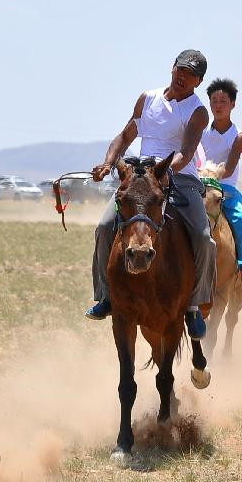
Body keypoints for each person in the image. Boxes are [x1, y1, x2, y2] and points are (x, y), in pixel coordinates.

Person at [86, 49, 215, 340]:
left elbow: (187, 151)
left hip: (179, 177)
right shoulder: (148, 99)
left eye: (191, 75)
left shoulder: (197, 111)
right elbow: (125, 135)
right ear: (172, 68)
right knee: (105, 226)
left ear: (198, 81)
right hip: (141, 177)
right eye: (181, 70)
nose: (183, 77)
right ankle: (105, 295)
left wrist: (166, 170)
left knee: (204, 238)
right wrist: (109, 162)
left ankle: (194, 305)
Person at [197, 78, 242, 281]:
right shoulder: (201, 132)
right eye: (214, 101)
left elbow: (230, 168)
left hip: (226, 188)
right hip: (200, 185)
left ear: (233, 104)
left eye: (223, 101)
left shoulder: (238, 136)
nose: (218, 106)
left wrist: (210, 174)